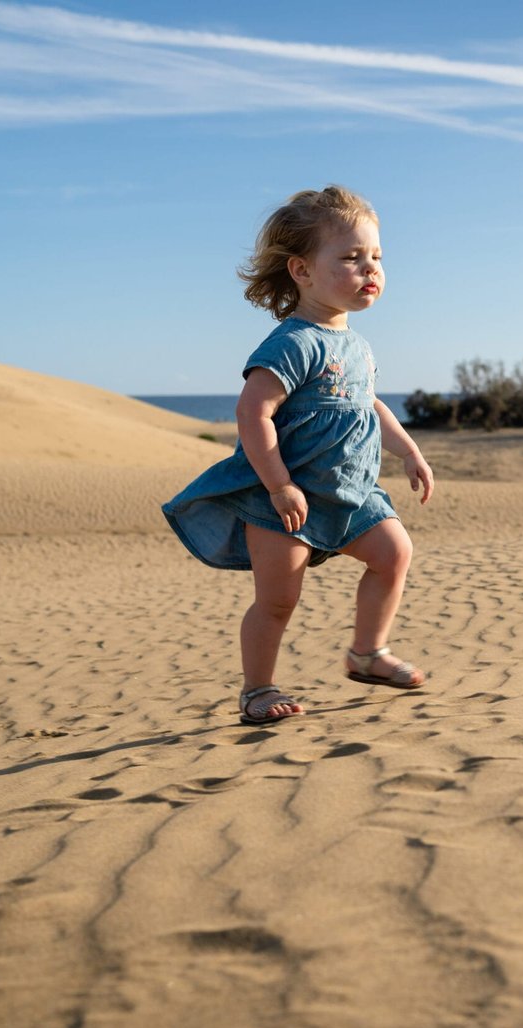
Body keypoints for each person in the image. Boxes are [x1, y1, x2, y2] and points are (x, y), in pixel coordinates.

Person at [163, 186, 435, 725]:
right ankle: (257, 689)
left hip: (351, 493)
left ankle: (367, 653)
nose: (369, 269)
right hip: (287, 500)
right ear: (302, 271)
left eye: (376, 257)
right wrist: (279, 485)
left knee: (394, 553)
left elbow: (369, 406)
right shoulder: (292, 342)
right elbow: (252, 414)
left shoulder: (357, 344)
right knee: (278, 601)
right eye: (351, 258)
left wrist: (409, 451)